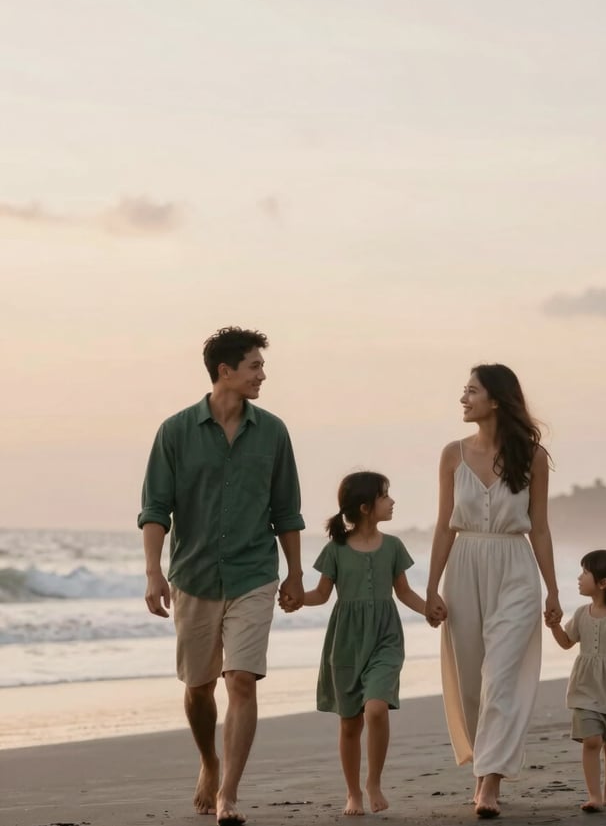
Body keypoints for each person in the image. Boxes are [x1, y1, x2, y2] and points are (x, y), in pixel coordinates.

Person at [138, 326, 305, 826]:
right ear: (224, 372)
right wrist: (153, 572)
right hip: (193, 575)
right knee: (198, 687)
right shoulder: (175, 431)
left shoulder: (273, 432)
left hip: (254, 573)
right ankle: (209, 762)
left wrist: (295, 573)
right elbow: (156, 509)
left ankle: (228, 793)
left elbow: (287, 510)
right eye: (254, 366)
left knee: (242, 681)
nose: (262, 375)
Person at [425, 364, 561, 819]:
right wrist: (430, 586)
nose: (463, 399)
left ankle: (489, 784)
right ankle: (484, 767)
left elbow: (540, 529)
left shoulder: (533, 458)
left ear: (496, 400)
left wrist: (553, 591)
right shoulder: (451, 454)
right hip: (463, 566)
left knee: (500, 675)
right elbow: (445, 526)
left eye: (471, 391)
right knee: (471, 679)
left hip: (516, 568)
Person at [297, 471, 426, 816]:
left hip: (385, 637)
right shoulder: (336, 549)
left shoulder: (394, 546)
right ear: (367, 507)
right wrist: (297, 599)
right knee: (350, 722)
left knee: (376, 709)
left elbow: (404, 592)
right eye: (386, 496)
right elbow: (321, 595)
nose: (392, 501)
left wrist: (430, 609)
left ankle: (374, 782)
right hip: (346, 643)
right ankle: (353, 792)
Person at [547, 549, 606, 812]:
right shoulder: (581, 613)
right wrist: (554, 627)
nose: (579, 578)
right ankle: (594, 795)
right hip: (585, 688)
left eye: (585, 573)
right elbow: (567, 643)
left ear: (602, 583)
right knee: (591, 741)